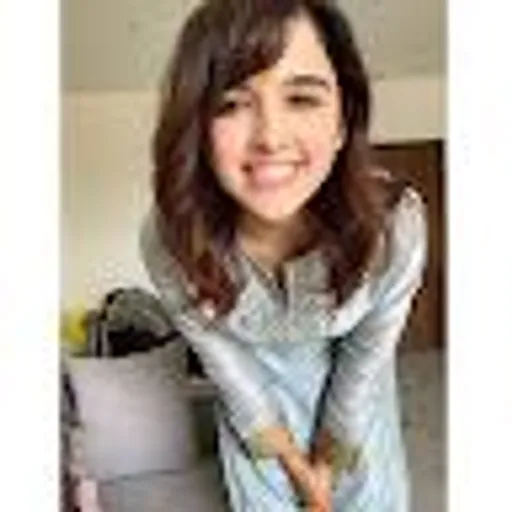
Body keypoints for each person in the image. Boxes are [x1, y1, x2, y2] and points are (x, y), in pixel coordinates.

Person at [140, 0, 427, 510]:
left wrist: (328, 465)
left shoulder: (394, 225)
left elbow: (367, 357)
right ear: (197, 128)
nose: (270, 137)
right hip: (256, 421)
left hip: (356, 413)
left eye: (302, 98)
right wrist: (295, 468)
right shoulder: (170, 238)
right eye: (231, 103)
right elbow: (231, 371)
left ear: (343, 122)